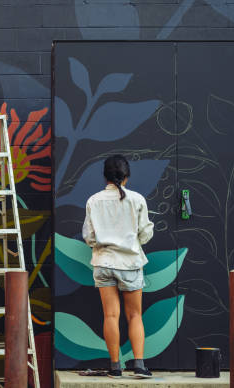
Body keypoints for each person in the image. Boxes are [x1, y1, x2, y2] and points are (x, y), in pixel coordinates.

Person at [82, 155, 154, 379]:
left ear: (105, 176)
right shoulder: (137, 199)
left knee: (110, 316)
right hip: (130, 263)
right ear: (127, 176)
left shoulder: (93, 200)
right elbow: (145, 234)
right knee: (135, 315)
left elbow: (89, 236)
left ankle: (115, 367)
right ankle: (139, 366)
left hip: (103, 263)